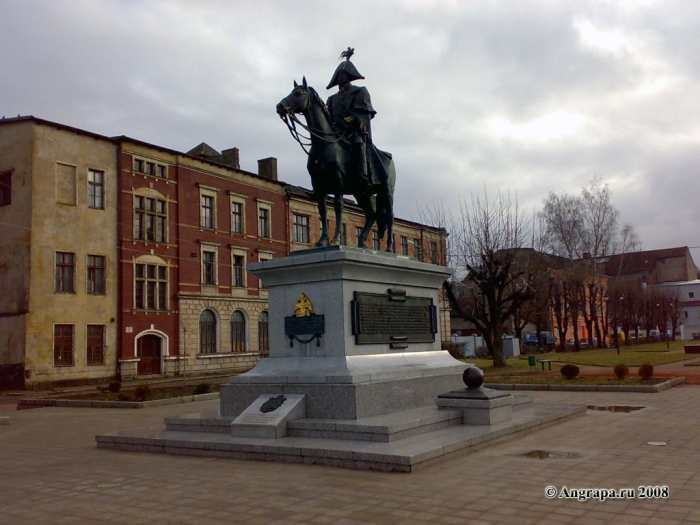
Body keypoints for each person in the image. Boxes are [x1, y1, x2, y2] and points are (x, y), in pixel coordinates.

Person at [326, 49, 376, 192]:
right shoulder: (332, 99)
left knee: (358, 143)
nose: (341, 77)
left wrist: (353, 118)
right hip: (337, 131)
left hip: (354, 130)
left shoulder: (360, 91)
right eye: (339, 74)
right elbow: (327, 117)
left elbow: (366, 112)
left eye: (343, 74)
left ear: (350, 75)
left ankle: (364, 176)